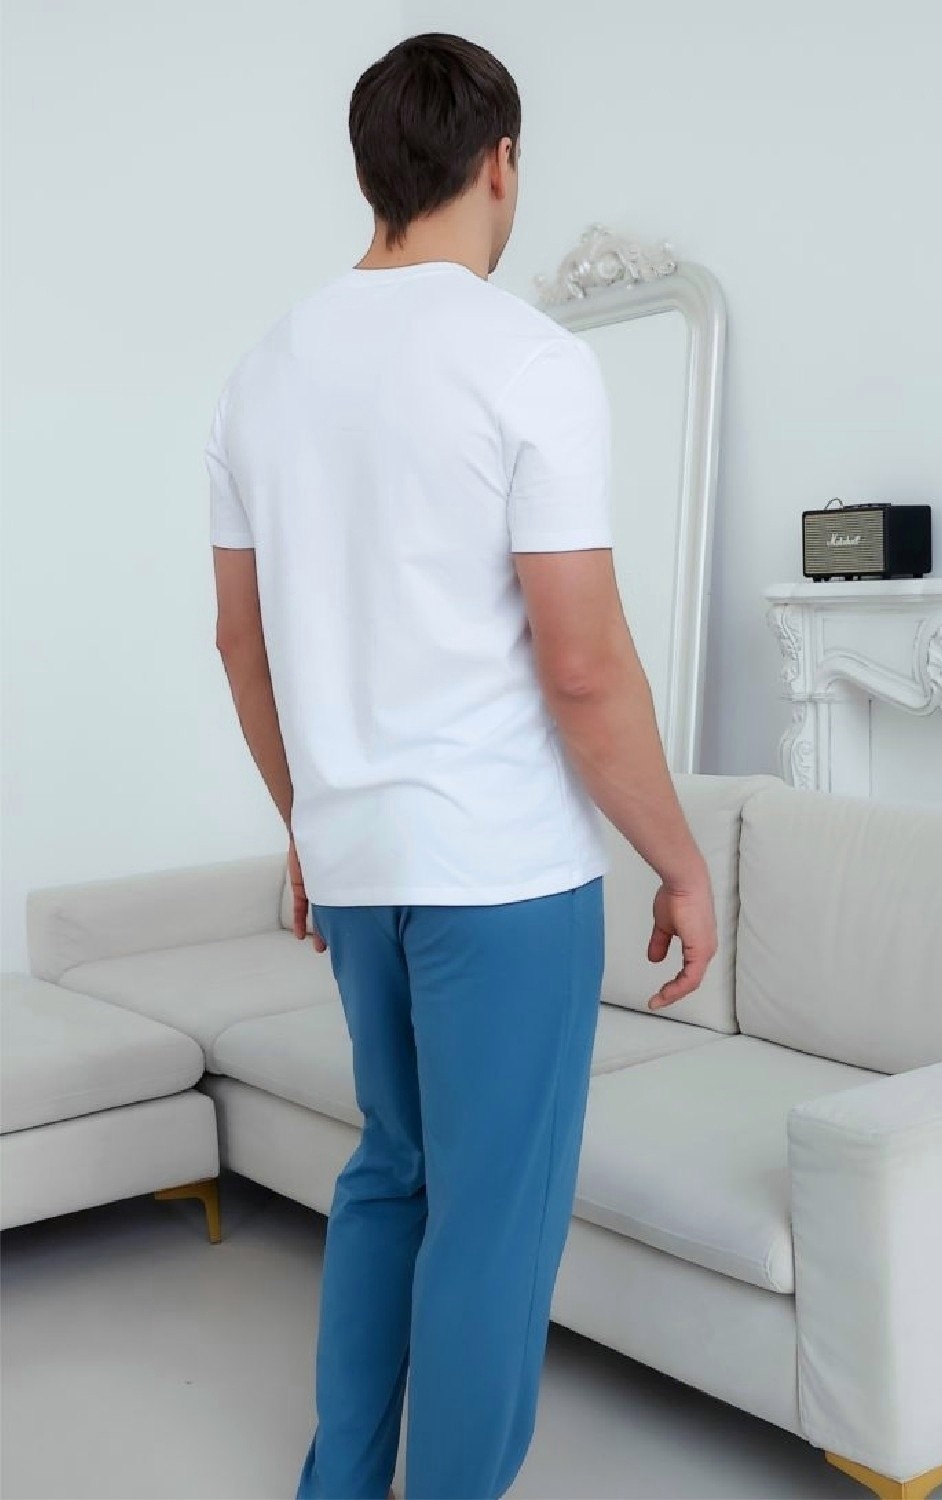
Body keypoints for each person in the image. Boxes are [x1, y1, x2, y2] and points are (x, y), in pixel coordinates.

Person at [206, 31, 717, 1500]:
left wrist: (310, 827)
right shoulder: (529, 360)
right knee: (492, 1223)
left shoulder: (260, 376)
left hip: (359, 866)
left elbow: (241, 643)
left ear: (372, 171)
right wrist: (680, 863)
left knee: (391, 1175)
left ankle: (340, 1486)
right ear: (500, 164)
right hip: (502, 873)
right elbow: (584, 665)